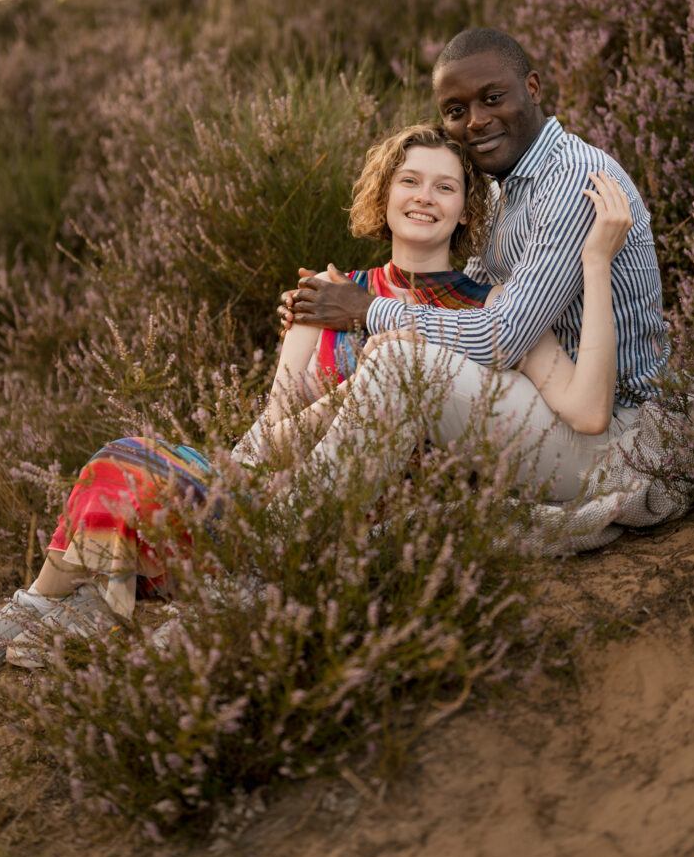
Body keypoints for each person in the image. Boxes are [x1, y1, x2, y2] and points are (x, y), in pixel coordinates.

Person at [0, 121, 630, 679]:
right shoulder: (325, 294)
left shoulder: (496, 310)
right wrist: (234, 473)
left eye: (445, 187)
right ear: (382, 196)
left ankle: (103, 607)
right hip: (285, 488)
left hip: (379, 518)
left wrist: (594, 262)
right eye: (409, 180)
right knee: (121, 463)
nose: (424, 196)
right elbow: (270, 430)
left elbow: (585, 409)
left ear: (464, 210)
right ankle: (38, 608)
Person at [279, 27, 668, 504]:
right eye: (456, 111)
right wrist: (334, 300)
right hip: (549, 404)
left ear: (532, 88)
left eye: (493, 98)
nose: (477, 122)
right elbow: (474, 299)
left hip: (613, 437)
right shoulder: (509, 188)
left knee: (401, 365)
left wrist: (365, 310)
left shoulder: (570, 181)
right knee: (393, 361)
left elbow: (502, 337)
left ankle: (278, 535)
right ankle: (260, 503)